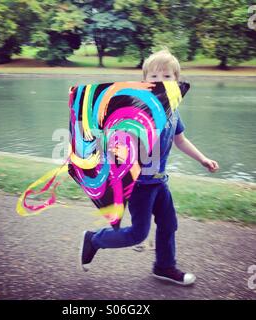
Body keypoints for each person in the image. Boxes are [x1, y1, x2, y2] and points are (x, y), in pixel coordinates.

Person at [80, 49, 219, 286]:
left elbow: (181, 140)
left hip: (159, 181)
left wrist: (203, 159)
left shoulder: (173, 111)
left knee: (168, 224)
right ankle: (94, 239)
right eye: (154, 77)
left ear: (176, 81)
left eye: (167, 77)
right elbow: (115, 140)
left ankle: (164, 267)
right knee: (138, 234)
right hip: (139, 185)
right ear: (144, 82)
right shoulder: (136, 111)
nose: (160, 81)